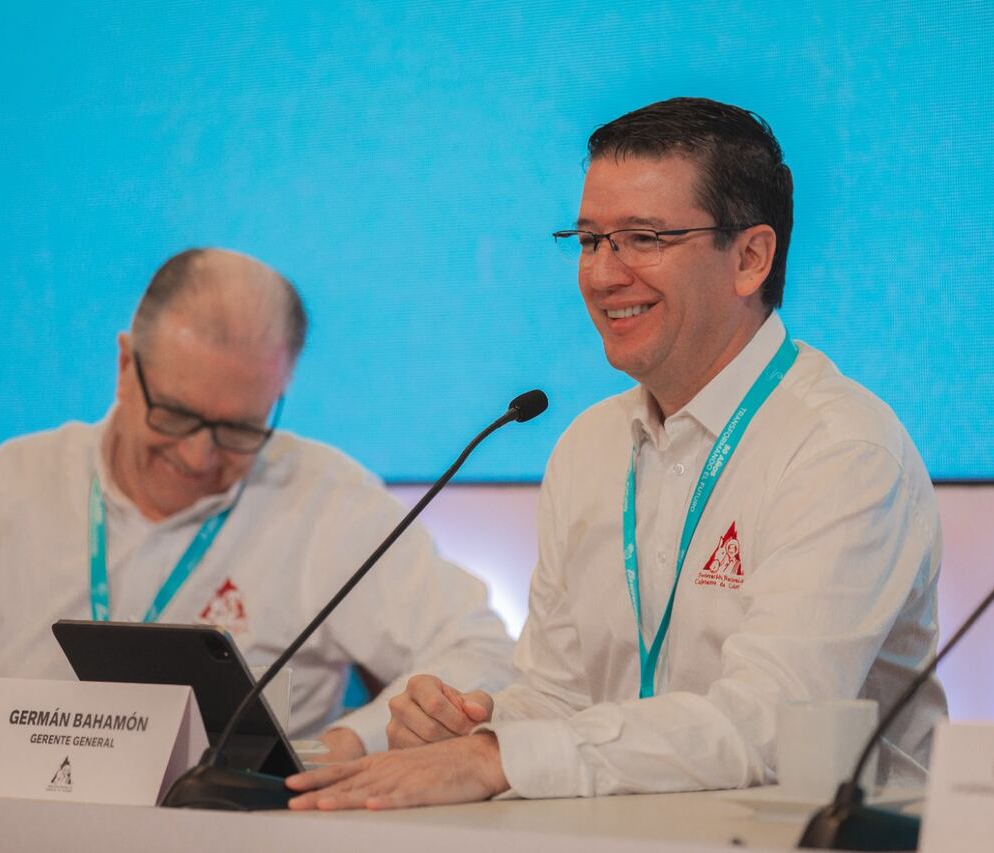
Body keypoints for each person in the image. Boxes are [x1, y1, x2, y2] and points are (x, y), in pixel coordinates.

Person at [285, 97, 947, 809]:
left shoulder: (840, 451)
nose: (603, 275)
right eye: (590, 239)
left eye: (643, 238)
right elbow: (559, 694)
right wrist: (472, 725)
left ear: (750, 258)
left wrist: (499, 758)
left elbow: (770, 725)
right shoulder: (588, 445)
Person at [0, 248, 516, 757]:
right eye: (176, 415)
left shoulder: (326, 500)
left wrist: (349, 743)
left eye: (239, 429)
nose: (199, 457)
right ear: (124, 366)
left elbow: (483, 653)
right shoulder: (19, 480)